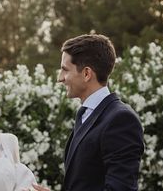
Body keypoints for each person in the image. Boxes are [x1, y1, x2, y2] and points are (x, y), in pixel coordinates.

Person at [33, 34, 144, 191]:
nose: (60, 78)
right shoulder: (86, 114)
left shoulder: (120, 119)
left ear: (86, 74)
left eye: (65, 70)